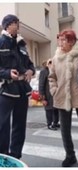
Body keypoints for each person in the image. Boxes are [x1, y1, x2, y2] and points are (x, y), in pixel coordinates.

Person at [0, 14, 35, 159]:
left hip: (22, 89)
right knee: (3, 125)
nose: (17, 25)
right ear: (7, 25)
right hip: (6, 90)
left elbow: (30, 64)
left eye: (17, 22)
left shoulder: (22, 44)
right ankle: (2, 155)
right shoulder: (1, 42)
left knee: (20, 125)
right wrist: (7, 73)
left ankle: (15, 155)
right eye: (14, 22)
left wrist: (30, 71)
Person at [49, 29, 78, 167]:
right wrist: (53, 90)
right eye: (59, 39)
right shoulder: (56, 57)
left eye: (63, 39)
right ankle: (70, 156)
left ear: (71, 41)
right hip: (62, 95)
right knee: (65, 129)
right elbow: (52, 77)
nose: (60, 42)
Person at [39, 59, 60, 130]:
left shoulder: (54, 71)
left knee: (56, 109)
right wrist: (42, 97)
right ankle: (49, 124)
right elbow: (41, 84)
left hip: (55, 93)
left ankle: (55, 123)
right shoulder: (44, 71)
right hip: (47, 95)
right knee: (49, 110)